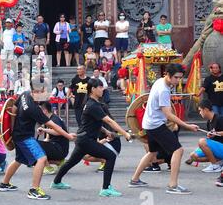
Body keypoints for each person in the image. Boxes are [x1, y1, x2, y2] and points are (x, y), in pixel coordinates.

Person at [51, 79, 132, 197]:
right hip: (86, 140)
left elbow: (93, 123)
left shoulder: (92, 103)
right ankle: (106, 188)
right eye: (99, 87)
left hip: (83, 139)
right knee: (110, 156)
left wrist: (106, 131)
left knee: (71, 162)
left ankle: (56, 182)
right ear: (93, 89)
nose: (102, 89)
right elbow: (109, 120)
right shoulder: (92, 105)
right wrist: (125, 134)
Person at [0, 79, 76, 200]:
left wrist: (12, 131)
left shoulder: (24, 94)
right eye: (44, 91)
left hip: (18, 135)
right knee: (41, 158)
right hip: (25, 137)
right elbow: (52, 125)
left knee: (19, 159)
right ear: (37, 90)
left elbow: (13, 108)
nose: (46, 93)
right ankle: (34, 190)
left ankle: (4, 184)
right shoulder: (33, 109)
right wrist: (68, 136)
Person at [128, 63, 199, 194]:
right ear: (168, 75)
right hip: (156, 125)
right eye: (176, 78)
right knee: (178, 150)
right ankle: (173, 185)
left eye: (180, 78)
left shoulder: (160, 81)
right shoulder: (164, 90)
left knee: (152, 153)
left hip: (149, 123)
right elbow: (168, 114)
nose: (178, 81)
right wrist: (187, 126)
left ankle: (135, 179)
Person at [187, 100, 223, 173]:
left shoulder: (220, 118)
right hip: (217, 147)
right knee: (193, 156)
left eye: (200, 110)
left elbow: (217, 133)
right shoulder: (208, 122)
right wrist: (210, 136)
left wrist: (216, 133)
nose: (199, 113)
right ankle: (220, 161)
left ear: (206, 110)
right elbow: (213, 138)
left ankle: (215, 166)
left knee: (202, 142)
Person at [37, 101, 71, 175]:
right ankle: (60, 162)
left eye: (39, 111)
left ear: (45, 111)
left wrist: (44, 130)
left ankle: (49, 168)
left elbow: (58, 132)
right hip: (59, 147)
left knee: (36, 145)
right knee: (39, 149)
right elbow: (51, 130)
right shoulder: (50, 118)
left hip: (60, 149)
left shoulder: (54, 119)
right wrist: (47, 138)